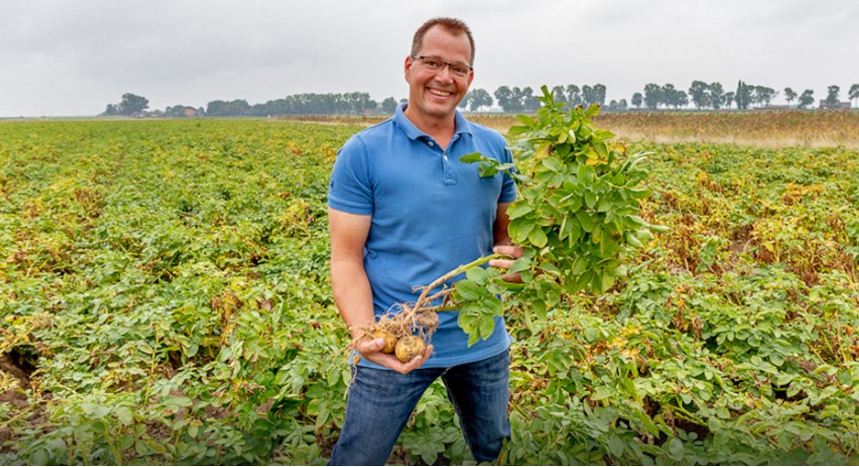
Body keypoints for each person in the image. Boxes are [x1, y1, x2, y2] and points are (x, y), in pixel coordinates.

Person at [326, 17, 522, 465]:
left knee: (498, 453)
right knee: (357, 458)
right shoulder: (364, 151)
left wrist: (517, 262)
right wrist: (363, 335)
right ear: (409, 66)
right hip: (395, 335)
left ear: (469, 78)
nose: (443, 77)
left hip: (481, 341)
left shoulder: (494, 150)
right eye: (432, 63)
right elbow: (346, 259)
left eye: (457, 68)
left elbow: (508, 239)